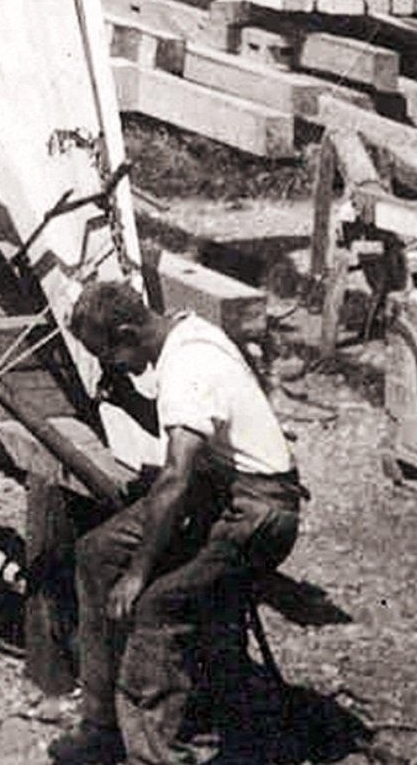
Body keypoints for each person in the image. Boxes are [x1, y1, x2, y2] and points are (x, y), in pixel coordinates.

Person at [50, 278, 305, 765]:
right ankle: (103, 725)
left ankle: (170, 754)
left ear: (127, 331)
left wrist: (139, 572)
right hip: (222, 488)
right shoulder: (183, 331)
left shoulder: (189, 367)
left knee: (157, 608)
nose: (111, 365)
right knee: (96, 553)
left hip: (260, 511)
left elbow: (175, 479)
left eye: (109, 354)